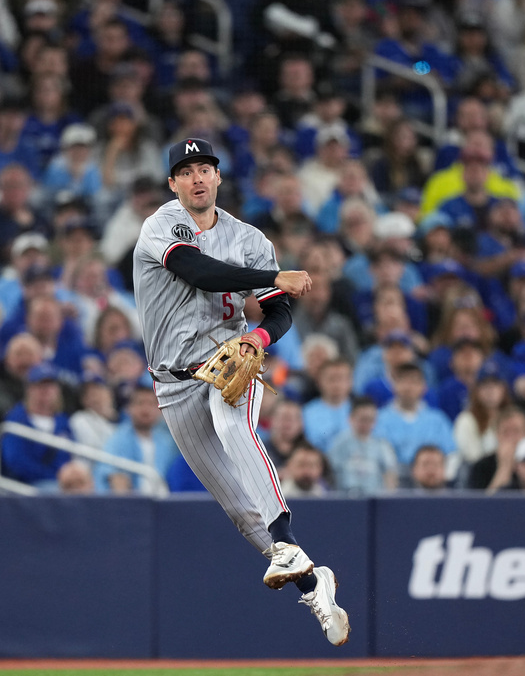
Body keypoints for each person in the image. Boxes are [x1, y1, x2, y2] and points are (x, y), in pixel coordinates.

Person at [132, 138, 348, 646]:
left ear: (219, 177)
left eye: (205, 167)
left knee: (234, 426)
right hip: (172, 384)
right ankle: (316, 583)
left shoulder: (247, 237)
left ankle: (287, 542)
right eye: (186, 171)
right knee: (240, 511)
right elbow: (200, 272)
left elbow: (279, 311)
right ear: (173, 183)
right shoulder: (160, 226)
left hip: (229, 357)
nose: (197, 178)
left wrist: (257, 336)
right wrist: (275, 275)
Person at [95, 376, 179, 494]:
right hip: (134, 504)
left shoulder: (168, 441)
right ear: (129, 408)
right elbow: (115, 480)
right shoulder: (118, 439)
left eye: (151, 404)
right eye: (140, 403)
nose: (145, 409)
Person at [327, 396, 399, 495]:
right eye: (363, 419)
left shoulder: (382, 445)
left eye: (370, 420)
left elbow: (390, 474)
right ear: (351, 418)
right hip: (345, 499)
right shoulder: (339, 444)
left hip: (375, 500)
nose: (366, 424)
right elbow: (331, 473)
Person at [301, 358, 354, 453]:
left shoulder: (360, 410)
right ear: (319, 382)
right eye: (331, 379)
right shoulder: (306, 413)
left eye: (341, 379)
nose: (336, 385)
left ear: (350, 382)